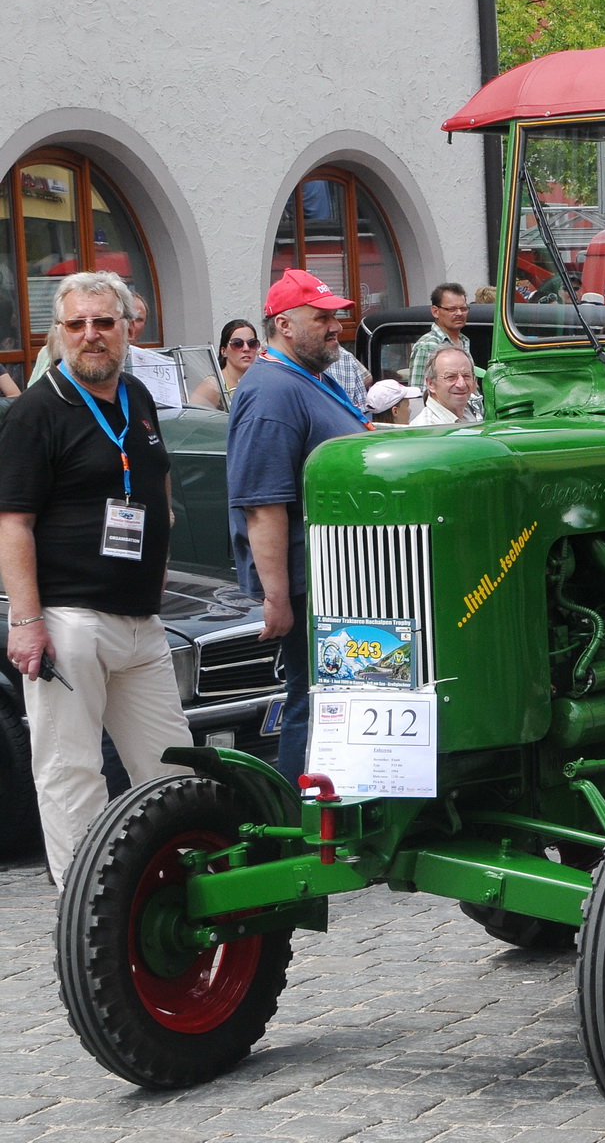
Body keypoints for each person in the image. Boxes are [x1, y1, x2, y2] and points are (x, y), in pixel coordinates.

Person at [0, 271, 193, 888]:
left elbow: (153, 480)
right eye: (77, 324)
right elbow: (13, 523)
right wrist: (27, 622)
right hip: (68, 623)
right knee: (71, 771)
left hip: (140, 622)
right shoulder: (36, 411)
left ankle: (178, 888)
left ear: (127, 329)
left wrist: (157, 557)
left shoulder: (135, 395)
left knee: (175, 770)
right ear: (59, 333)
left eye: (103, 323)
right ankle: (89, 912)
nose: (90, 335)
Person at [227, 268, 373, 778]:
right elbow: (263, 506)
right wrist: (277, 599)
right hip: (314, 589)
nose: (336, 325)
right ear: (284, 324)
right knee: (314, 706)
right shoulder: (270, 391)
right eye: (322, 317)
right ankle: (299, 829)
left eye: (336, 315)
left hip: (340, 583)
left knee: (343, 702)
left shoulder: (308, 376)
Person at [408, 283, 472, 387]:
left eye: (463, 309)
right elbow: (418, 392)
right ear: (435, 311)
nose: (459, 313)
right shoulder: (427, 345)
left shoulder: (464, 341)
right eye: (452, 309)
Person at [191, 319, 260, 409]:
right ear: (224, 351)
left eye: (252, 343)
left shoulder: (259, 380)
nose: (246, 349)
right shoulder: (213, 386)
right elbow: (192, 419)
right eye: (237, 343)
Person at [410, 346, 481, 425]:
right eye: (451, 377)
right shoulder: (427, 429)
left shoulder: (470, 415)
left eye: (466, 376)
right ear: (431, 384)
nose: (462, 384)